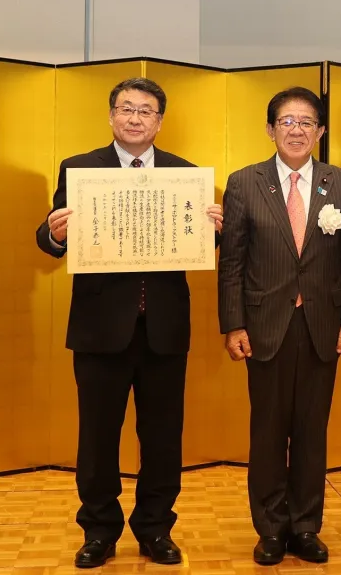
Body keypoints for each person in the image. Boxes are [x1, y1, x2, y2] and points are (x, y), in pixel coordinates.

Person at [36, 77, 223, 569]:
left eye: (145, 110)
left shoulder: (185, 175)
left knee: (162, 438)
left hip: (164, 329)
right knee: (98, 438)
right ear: (111, 115)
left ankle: (155, 528)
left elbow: (199, 243)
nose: (135, 118)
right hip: (100, 329)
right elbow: (49, 237)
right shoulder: (80, 169)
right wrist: (55, 234)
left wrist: (215, 229)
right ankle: (99, 530)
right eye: (126, 108)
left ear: (159, 121)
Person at [217, 87, 341, 566]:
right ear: (270, 129)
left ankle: (305, 526)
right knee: (267, 432)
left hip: (322, 324)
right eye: (286, 121)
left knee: (311, 431)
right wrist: (233, 324)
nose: (296, 130)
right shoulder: (244, 182)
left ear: (319, 131)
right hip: (265, 324)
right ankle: (270, 529)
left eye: (306, 122)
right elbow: (232, 261)